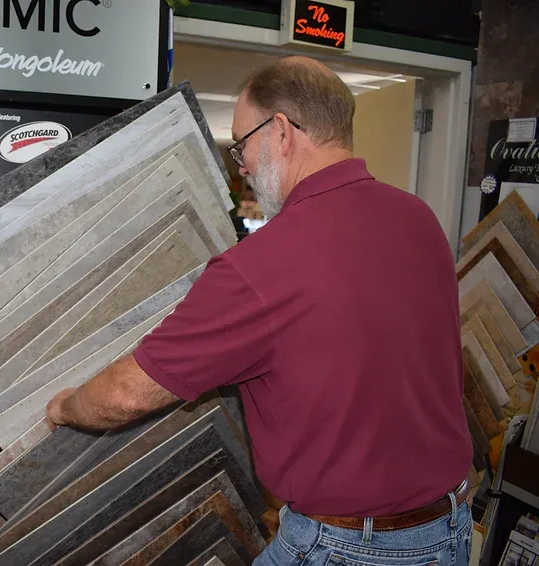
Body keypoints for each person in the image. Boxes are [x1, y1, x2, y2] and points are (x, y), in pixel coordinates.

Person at [45, 56, 474, 565]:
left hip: (348, 548)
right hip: (449, 531)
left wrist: (65, 406)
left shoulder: (262, 264)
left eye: (241, 144)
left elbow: (127, 395)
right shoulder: (419, 219)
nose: (241, 165)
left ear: (284, 132)